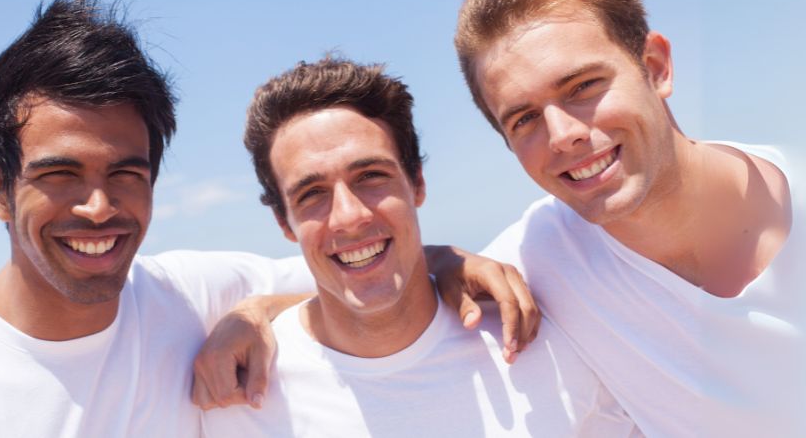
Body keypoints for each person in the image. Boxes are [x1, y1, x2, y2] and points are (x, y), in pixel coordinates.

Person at [0, 0, 535, 437]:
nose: (99, 206)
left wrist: (448, 262)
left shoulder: (186, 296)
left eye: (125, 173)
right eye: (60, 174)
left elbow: (350, 263)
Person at [446, 0, 806, 436]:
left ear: (656, 67)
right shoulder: (543, 252)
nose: (562, 135)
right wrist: (443, 261)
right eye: (524, 118)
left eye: (582, 87)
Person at [202, 57, 639, 437]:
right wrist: (254, 310)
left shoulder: (550, 343)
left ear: (417, 184)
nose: (350, 216)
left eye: (371, 176)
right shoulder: (239, 397)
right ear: (284, 221)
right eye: (311, 194)